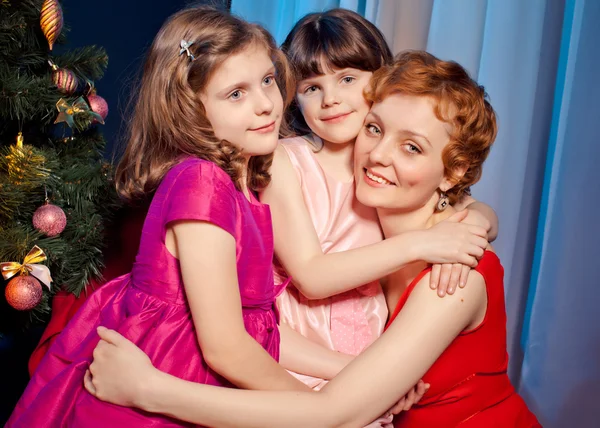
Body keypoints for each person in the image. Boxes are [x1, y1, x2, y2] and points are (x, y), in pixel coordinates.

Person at [85, 51, 541, 428]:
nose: (378, 155)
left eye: (412, 147)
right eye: (375, 129)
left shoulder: (453, 277)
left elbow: (331, 413)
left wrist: (149, 389)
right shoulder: (382, 225)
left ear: (455, 171)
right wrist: (480, 216)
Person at [7, 6, 309, 427]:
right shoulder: (202, 182)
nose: (265, 105)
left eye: (267, 80)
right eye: (236, 93)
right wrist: (322, 409)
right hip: (166, 390)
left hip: (199, 384)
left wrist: (347, 371)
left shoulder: (239, 183)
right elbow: (225, 348)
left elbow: (259, 328)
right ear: (190, 107)